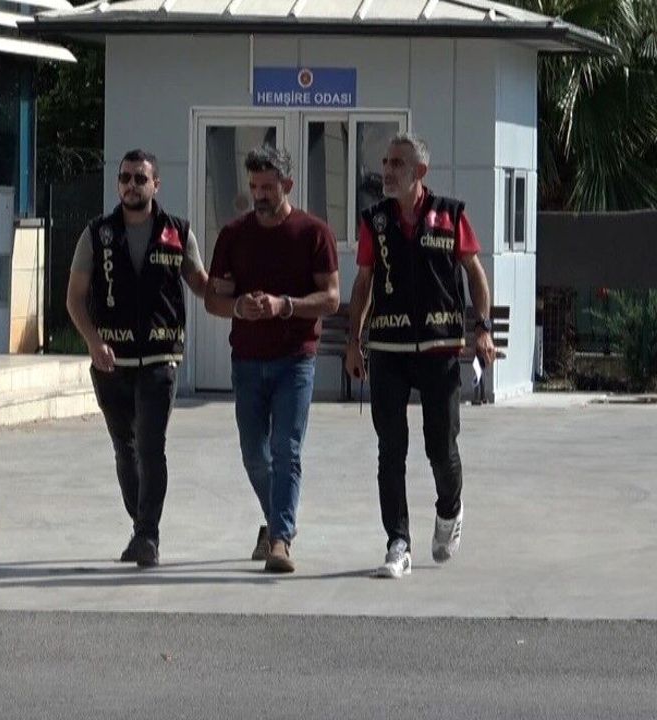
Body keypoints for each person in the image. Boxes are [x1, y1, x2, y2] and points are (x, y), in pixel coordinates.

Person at [344, 133, 495, 579]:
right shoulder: (374, 220)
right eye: (386, 161)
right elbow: (363, 282)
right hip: (388, 349)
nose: (387, 170)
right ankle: (398, 543)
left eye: (398, 163)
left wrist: (482, 329)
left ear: (420, 172)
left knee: (440, 447)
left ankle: (450, 509)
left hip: (439, 348)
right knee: (390, 450)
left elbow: (474, 274)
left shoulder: (450, 214)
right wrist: (354, 341)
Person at [66, 149, 209, 567]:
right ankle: (140, 525)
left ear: (155, 185)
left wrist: (236, 292)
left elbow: (202, 284)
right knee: (124, 449)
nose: (132, 185)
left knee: (150, 446)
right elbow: (75, 298)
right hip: (112, 362)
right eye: (125, 178)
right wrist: (93, 341)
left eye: (140, 179)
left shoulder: (177, 232)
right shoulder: (97, 234)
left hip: (160, 358)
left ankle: (148, 535)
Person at [203, 146, 340, 574]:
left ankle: (280, 539)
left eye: (267, 187)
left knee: (286, 448)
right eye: (254, 187)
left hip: (295, 360)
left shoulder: (313, 233)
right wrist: (239, 307)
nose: (259, 195)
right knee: (254, 455)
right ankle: (277, 519)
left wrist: (285, 305)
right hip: (247, 360)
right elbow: (213, 298)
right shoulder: (233, 234)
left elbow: (331, 298)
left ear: (287, 185)